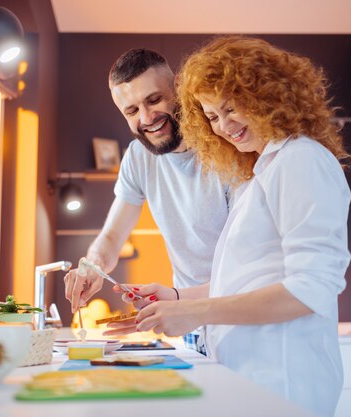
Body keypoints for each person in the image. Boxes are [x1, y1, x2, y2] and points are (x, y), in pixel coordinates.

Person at [104, 36, 351, 417]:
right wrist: (173, 297)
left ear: (266, 94)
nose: (224, 127)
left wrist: (200, 312)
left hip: (284, 383)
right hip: (254, 379)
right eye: (213, 117)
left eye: (231, 108)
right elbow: (247, 279)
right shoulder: (264, 170)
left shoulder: (302, 160)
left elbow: (310, 291)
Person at [63, 48, 231, 353]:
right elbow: (112, 237)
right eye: (131, 111)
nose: (146, 118)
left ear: (178, 88)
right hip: (190, 329)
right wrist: (93, 266)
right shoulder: (138, 158)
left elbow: (249, 270)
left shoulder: (227, 148)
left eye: (154, 100)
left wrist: (178, 299)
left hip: (238, 315)